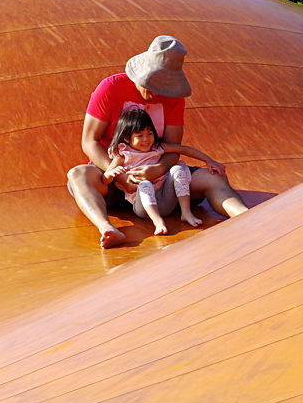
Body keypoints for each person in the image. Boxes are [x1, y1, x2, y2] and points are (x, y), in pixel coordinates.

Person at [68, 35, 249, 248]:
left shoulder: (174, 97)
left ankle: (247, 216)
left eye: (163, 88)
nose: (155, 94)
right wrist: (119, 175)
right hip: (116, 175)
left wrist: (159, 169)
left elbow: (174, 148)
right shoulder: (111, 87)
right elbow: (90, 141)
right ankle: (106, 228)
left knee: (214, 179)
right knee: (77, 175)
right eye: (151, 85)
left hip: (158, 180)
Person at [104, 107, 224, 235]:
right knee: (145, 184)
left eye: (149, 134)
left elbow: (183, 149)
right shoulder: (123, 154)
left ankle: (186, 212)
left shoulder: (157, 148)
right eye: (140, 136)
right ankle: (158, 222)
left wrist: (209, 160)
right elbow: (105, 178)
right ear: (127, 138)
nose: (146, 139)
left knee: (177, 169)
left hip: (166, 201)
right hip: (143, 207)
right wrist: (110, 174)